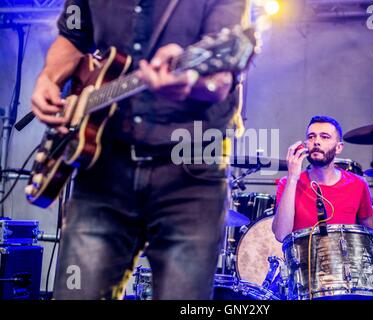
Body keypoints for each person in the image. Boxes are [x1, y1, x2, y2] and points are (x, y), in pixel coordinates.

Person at [31, 0, 248, 299]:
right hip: (103, 164)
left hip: (190, 168)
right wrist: (48, 78)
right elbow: (73, 37)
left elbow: (223, 75)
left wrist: (190, 80)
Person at [272, 115, 373, 242]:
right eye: (311, 137)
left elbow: (370, 237)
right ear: (305, 145)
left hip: (343, 260)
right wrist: (292, 178)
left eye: (325, 137)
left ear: (339, 147)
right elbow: (281, 235)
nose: (316, 141)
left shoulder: (358, 184)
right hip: (303, 260)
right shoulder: (288, 183)